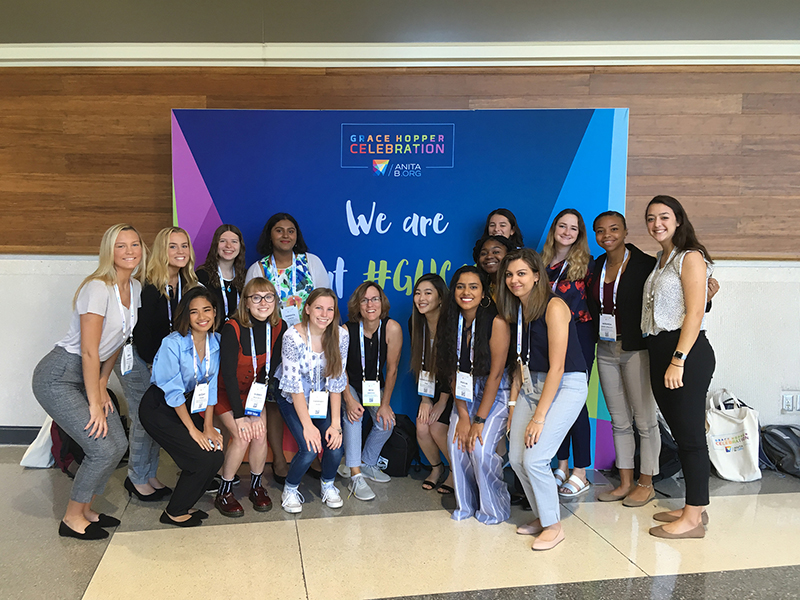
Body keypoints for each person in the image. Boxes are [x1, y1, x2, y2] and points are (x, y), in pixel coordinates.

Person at [32, 224, 145, 539]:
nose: (130, 251)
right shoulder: (97, 287)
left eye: (135, 244)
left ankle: (87, 509)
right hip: (59, 375)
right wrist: (95, 400)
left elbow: (120, 339)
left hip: (89, 374)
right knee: (100, 447)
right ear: (109, 251)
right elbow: (88, 349)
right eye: (121, 246)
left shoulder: (134, 288)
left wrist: (104, 381)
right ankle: (71, 519)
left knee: (117, 443)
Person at [499, 248, 589, 550]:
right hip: (530, 385)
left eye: (522, 273)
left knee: (536, 458)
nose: (514, 280)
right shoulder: (519, 310)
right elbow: (519, 364)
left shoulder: (554, 306)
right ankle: (542, 514)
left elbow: (558, 366)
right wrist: (513, 408)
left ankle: (554, 526)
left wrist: (539, 417)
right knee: (516, 458)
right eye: (510, 275)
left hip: (565, 384)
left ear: (537, 276)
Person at [641, 195, 715, 540]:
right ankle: (693, 506)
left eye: (664, 217)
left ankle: (693, 519)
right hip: (660, 348)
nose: (657, 224)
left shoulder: (691, 257)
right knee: (682, 434)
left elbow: (694, 313)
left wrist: (678, 359)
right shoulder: (662, 259)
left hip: (684, 353)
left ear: (679, 220)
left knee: (690, 438)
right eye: (651, 218)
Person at [245, 213, 330, 484]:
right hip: (272, 345)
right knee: (273, 402)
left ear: (297, 235)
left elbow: (326, 302)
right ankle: (279, 460)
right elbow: (250, 308)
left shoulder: (311, 262)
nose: (285, 235)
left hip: (309, 344)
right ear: (269, 235)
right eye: (279, 230)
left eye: (290, 230)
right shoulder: (258, 268)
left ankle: (315, 454)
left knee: (312, 395)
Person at [116, 226, 199, 501]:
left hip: (161, 361)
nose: (180, 252)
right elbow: (144, 332)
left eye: (184, 246)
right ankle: (136, 477)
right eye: (173, 246)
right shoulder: (149, 285)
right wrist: (156, 364)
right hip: (140, 358)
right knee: (143, 416)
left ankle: (149, 473)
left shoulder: (186, 285)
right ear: (162, 251)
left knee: (155, 417)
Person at [588, 212, 660, 506]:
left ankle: (647, 482)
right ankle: (626, 481)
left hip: (635, 349)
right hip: (605, 350)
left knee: (644, 419)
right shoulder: (596, 265)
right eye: (600, 231)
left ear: (626, 231)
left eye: (614, 229)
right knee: (619, 420)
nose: (607, 235)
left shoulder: (644, 265)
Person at [138, 286, 224, 527]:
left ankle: (185, 504)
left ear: (215, 312)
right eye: (194, 312)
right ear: (186, 315)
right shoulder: (172, 343)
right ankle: (174, 512)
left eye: (207, 310)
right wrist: (193, 430)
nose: (202, 317)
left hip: (187, 404)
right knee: (200, 458)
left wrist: (208, 427)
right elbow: (173, 392)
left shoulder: (216, 342)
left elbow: (211, 386)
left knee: (215, 454)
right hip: (159, 407)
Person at [437, 266, 511, 525]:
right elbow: (453, 372)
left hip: (496, 393)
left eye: (473, 287)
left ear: (483, 293)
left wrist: (477, 421)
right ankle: (466, 505)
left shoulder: (497, 322)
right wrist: (464, 416)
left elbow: (495, 374)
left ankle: (495, 508)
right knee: (457, 446)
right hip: (465, 396)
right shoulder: (450, 322)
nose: (466, 292)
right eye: (460, 286)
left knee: (478, 448)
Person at [213, 278, 287, 517]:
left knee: (260, 433)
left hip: (254, 393)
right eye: (256, 297)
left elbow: (270, 370)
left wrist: (255, 410)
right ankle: (224, 491)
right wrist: (241, 415)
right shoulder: (231, 328)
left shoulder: (279, 327)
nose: (263, 303)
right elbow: (228, 376)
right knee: (242, 436)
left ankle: (256, 486)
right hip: (227, 393)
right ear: (246, 303)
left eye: (268, 297)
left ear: (275, 301)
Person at [278, 288, 348, 514]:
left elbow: (336, 381)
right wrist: (308, 426)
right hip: (293, 397)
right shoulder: (292, 336)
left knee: (335, 445)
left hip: (322, 397)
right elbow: (295, 386)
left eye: (330, 309)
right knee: (309, 448)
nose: (324, 314)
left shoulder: (341, 335)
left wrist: (336, 424)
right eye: (318, 307)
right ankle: (289, 489)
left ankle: (328, 485)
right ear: (307, 309)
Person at [541, 208, 595, 498]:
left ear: (579, 234)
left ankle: (581, 471)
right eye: (562, 226)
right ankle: (561, 465)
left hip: (580, 336)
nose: (567, 232)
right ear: (554, 230)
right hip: (549, 336)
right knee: (554, 401)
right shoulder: (540, 263)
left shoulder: (587, 264)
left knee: (576, 401)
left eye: (573, 228)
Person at [340, 282, 402, 500]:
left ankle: (367, 462)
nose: (370, 304)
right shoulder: (347, 330)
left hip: (375, 386)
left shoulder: (391, 327)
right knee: (354, 417)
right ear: (357, 304)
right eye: (364, 300)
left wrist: (384, 405)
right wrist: (348, 399)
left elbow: (393, 369)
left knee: (387, 423)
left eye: (374, 298)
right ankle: (355, 477)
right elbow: (340, 369)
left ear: (382, 302)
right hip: (349, 384)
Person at [410, 274, 454, 494]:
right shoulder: (416, 322)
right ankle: (437, 469)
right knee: (421, 427)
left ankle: (456, 472)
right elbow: (420, 363)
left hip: (455, 388)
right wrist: (426, 399)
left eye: (428, 293)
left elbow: (453, 367)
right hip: (430, 386)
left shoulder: (452, 323)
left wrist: (443, 401)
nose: (421, 298)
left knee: (436, 428)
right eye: (418, 293)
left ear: (440, 298)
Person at [197, 224, 247, 321]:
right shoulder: (202, 276)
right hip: (212, 334)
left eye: (234, 241)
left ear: (240, 246)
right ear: (215, 245)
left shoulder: (246, 275)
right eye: (223, 241)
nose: (228, 245)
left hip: (238, 333)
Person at [473, 234, 515, 301]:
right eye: (484, 253)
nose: (489, 256)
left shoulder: (516, 286)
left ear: (509, 256)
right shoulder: (480, 289)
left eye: (496, 252)